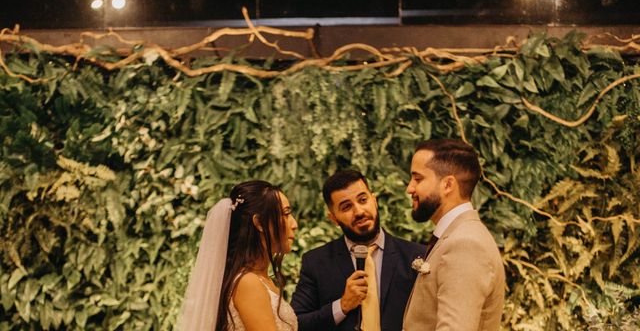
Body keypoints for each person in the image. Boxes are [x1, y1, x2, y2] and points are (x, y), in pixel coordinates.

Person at [291, 170, 424, 331]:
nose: (359, 211)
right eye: (346, 207)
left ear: (374, 200)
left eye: (363, 200)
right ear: (333, 218)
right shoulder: (316, 262)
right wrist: (342, 305)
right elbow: (297, 323)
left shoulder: (415, 255)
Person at [403, 139, 505, 331]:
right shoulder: (456, 236)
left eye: (418, 179)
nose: (409, 188)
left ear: (448, 185)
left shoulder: (466, 245)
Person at [177, 180, 299, 331]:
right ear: (259, 223)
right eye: (286, 214)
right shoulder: (248, 283)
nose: (294, 224)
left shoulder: (260, 278)